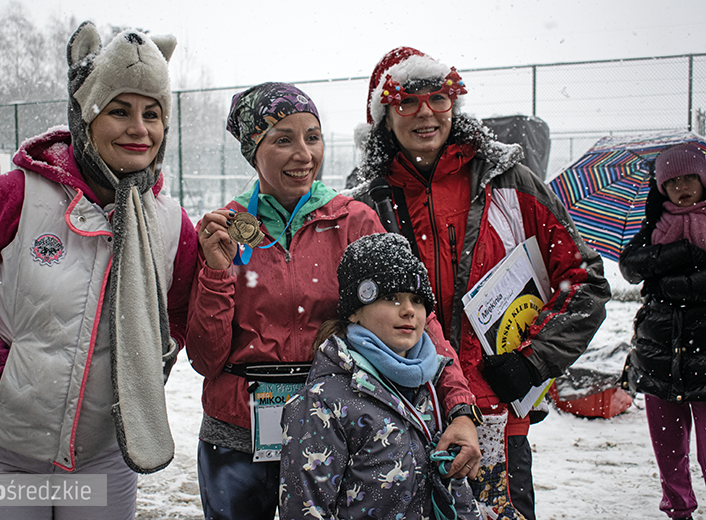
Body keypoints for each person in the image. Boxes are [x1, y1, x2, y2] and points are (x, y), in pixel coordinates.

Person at [0, 21, 198, 519]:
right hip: (3, 452)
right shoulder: (17, 195)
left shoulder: (171, 224)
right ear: (86, 114)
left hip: (105, 457)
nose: (140, 128)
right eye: (120, 110)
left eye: (152, 113)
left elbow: (176, 312)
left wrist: (150, 370)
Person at [184, 82, 480, 520]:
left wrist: (459, 407)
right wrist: (215, 271)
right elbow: (206, 358)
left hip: (338, 434)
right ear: (253, 150)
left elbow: (420, 323)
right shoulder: (226, 231)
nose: (304, 154)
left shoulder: (354, 221)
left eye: (312, 137)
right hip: (237, 438)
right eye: (283, 139)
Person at [352, 47, 611, 520]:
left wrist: (533, 361)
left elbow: (585, 281)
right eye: (406, 101)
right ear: (383, 114)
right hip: (396, 412)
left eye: (438, 96)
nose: (425, 112)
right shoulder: (364, 202)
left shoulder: (510, 182)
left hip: (494, 416)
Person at [280, 232, 478, 520]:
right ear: (355, 312)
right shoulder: (321, 402)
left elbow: (455, 494)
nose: (409, 310)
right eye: (391, 298)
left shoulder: (431, 387)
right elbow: (306, 511)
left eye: (417, 299)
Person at [620, 143, 706, 520]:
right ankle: (678, 509)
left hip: (705, 357)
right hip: (659, 358)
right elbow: (630, 265)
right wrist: (676, 256)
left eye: (690, 177)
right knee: (669, 450)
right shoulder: (655, 225)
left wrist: (684, 283)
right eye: (672, 181)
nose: (682, 186)